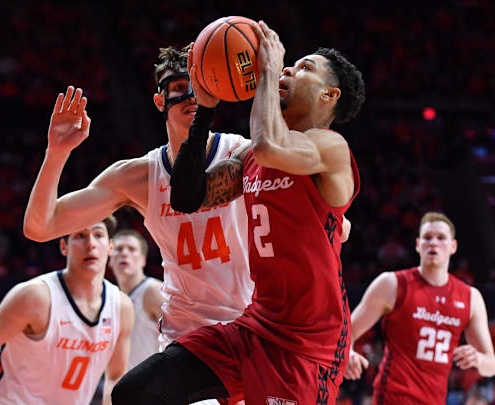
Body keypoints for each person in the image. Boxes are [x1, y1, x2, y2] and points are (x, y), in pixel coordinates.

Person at [112, 21, 365, 405]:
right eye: (288, 65)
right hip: (254, 327)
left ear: (330, 95)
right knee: (136, 392)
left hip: (306, 345)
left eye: (304, 68)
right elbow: (187, 197)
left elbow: (269, 146)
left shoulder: (330, 149)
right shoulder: (248, 158)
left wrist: (265, 72)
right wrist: (206, 111)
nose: (287, 70)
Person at [23, 46, 255, 405]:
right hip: (188, 335)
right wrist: (57, 154)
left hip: (250, 328)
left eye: (198, 84)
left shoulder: (243, 154)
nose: (190, 95)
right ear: (160, 100)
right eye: (179, 86)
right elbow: (41, 226)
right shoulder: (137, 176)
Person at [0, 217, 133, 405]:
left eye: (98, 235)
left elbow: (115, 377)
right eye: (80, 235)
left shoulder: (121, 308)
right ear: (64, 247)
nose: (91, 244)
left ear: (110, 246)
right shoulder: (36, 297)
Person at [344, 212, 495, 404]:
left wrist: (479, 359)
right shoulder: (391, 284)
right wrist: (347, 353)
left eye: (441, 238)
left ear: (453, 246)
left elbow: (492, 364)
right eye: (427, 238)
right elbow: (346, 331)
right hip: (393, 397)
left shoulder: (471, 298)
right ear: (418, 245)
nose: (433, 243)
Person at [108, 229, 164, 370]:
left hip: (159, 386)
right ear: (110, 259)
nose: (124, 253)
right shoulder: (111, 298)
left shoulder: (153, 291)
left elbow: (178, 340)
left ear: (143, 260)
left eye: (132, 249)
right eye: (119, 249)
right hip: (129, 387)